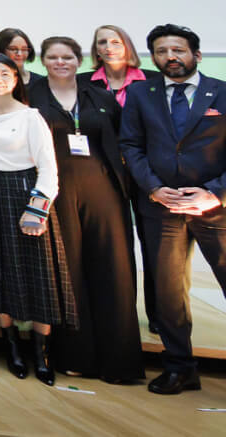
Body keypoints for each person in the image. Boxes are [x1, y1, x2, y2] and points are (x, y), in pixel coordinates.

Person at [119, 24, 226, 427]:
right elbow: (131, 147)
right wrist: (155, 189)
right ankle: (180, 368)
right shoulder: (141, 94)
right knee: (170, 296)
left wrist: (213, 193)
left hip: (220, 211)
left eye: (178, 49)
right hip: (162, 209)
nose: (170, 56)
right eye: (161, 51)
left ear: (196, 54)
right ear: (153, 58)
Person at [26, 36, 144, 384]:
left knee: (113, 269)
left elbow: (124, 140)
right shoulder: (31, 98)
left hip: (104, 191)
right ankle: (75, 355)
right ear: (43, 61)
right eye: (53, 57)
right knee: (69, 270)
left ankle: (119, 360)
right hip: (58, 192)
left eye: (67, 57)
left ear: (79, 60)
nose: (60, 62)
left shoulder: (101, 96)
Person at [0, 55, 75, 385]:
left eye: (5, 73)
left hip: (26, 196)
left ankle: (41, 353)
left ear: (16, 79)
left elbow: (48, 168)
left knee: (38, 273)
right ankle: (11, 346)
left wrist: (37, 208)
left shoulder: (31, 117)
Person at [84, 22, 159, 330]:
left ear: (127, 45)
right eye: (102, 42)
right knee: (114, 248)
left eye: (115, 41)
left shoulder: (154, 81)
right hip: (103, 175)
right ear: (95, 49)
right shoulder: (84, 83)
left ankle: (159, 315)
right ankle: (119, 313)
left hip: (147, 174)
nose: (108, 47)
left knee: (155, 248)